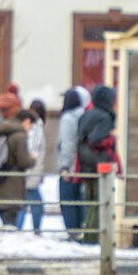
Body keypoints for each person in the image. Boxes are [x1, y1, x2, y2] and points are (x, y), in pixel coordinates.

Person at [76, 85, 118, 245]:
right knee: (99, 202)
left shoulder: (87, 114)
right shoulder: (104, 117)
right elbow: (96, 139)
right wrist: (112, 137)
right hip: (99, 165)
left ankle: (88, 235)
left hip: (86, 163)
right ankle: (93, 238)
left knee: (91, 201)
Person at [0, 108, 34, 228]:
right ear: (26, 121)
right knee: (11, 224)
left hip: (0, 182)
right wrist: (32, 159)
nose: (30, 128)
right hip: (13, 185)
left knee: (5, 219)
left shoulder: (3, 131)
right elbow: (23, 162)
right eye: (31, 124)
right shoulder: (19, 136)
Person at [57, 87, 90, 241]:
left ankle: (73, 232)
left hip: (71, 166)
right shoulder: (85, 116)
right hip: (83, 164)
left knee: (68, 199)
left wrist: (64, 167)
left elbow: (67, 144)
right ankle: (81, 230)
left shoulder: (68, 118)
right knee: (80, 199)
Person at [20, 99, 47, 232]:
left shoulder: (34, 125)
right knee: (34, 201)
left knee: (24, 199)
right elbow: (34, 149)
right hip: (33, 168)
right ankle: (35, 227)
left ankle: (18, 226)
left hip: (31, 168)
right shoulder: (38, 125)